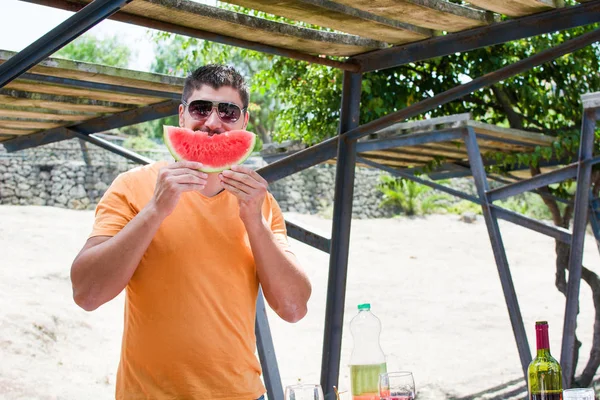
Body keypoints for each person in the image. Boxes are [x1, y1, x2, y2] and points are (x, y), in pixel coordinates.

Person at [70, 64, 312, 400]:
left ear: (243, 123)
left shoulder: (259, 201)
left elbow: (294, 308)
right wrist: (156, 210)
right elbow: (86, 294)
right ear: (182, 116)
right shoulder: (132, 187)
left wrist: (254, 221)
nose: (213, 122)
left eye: (228, 112)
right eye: (201, 108)